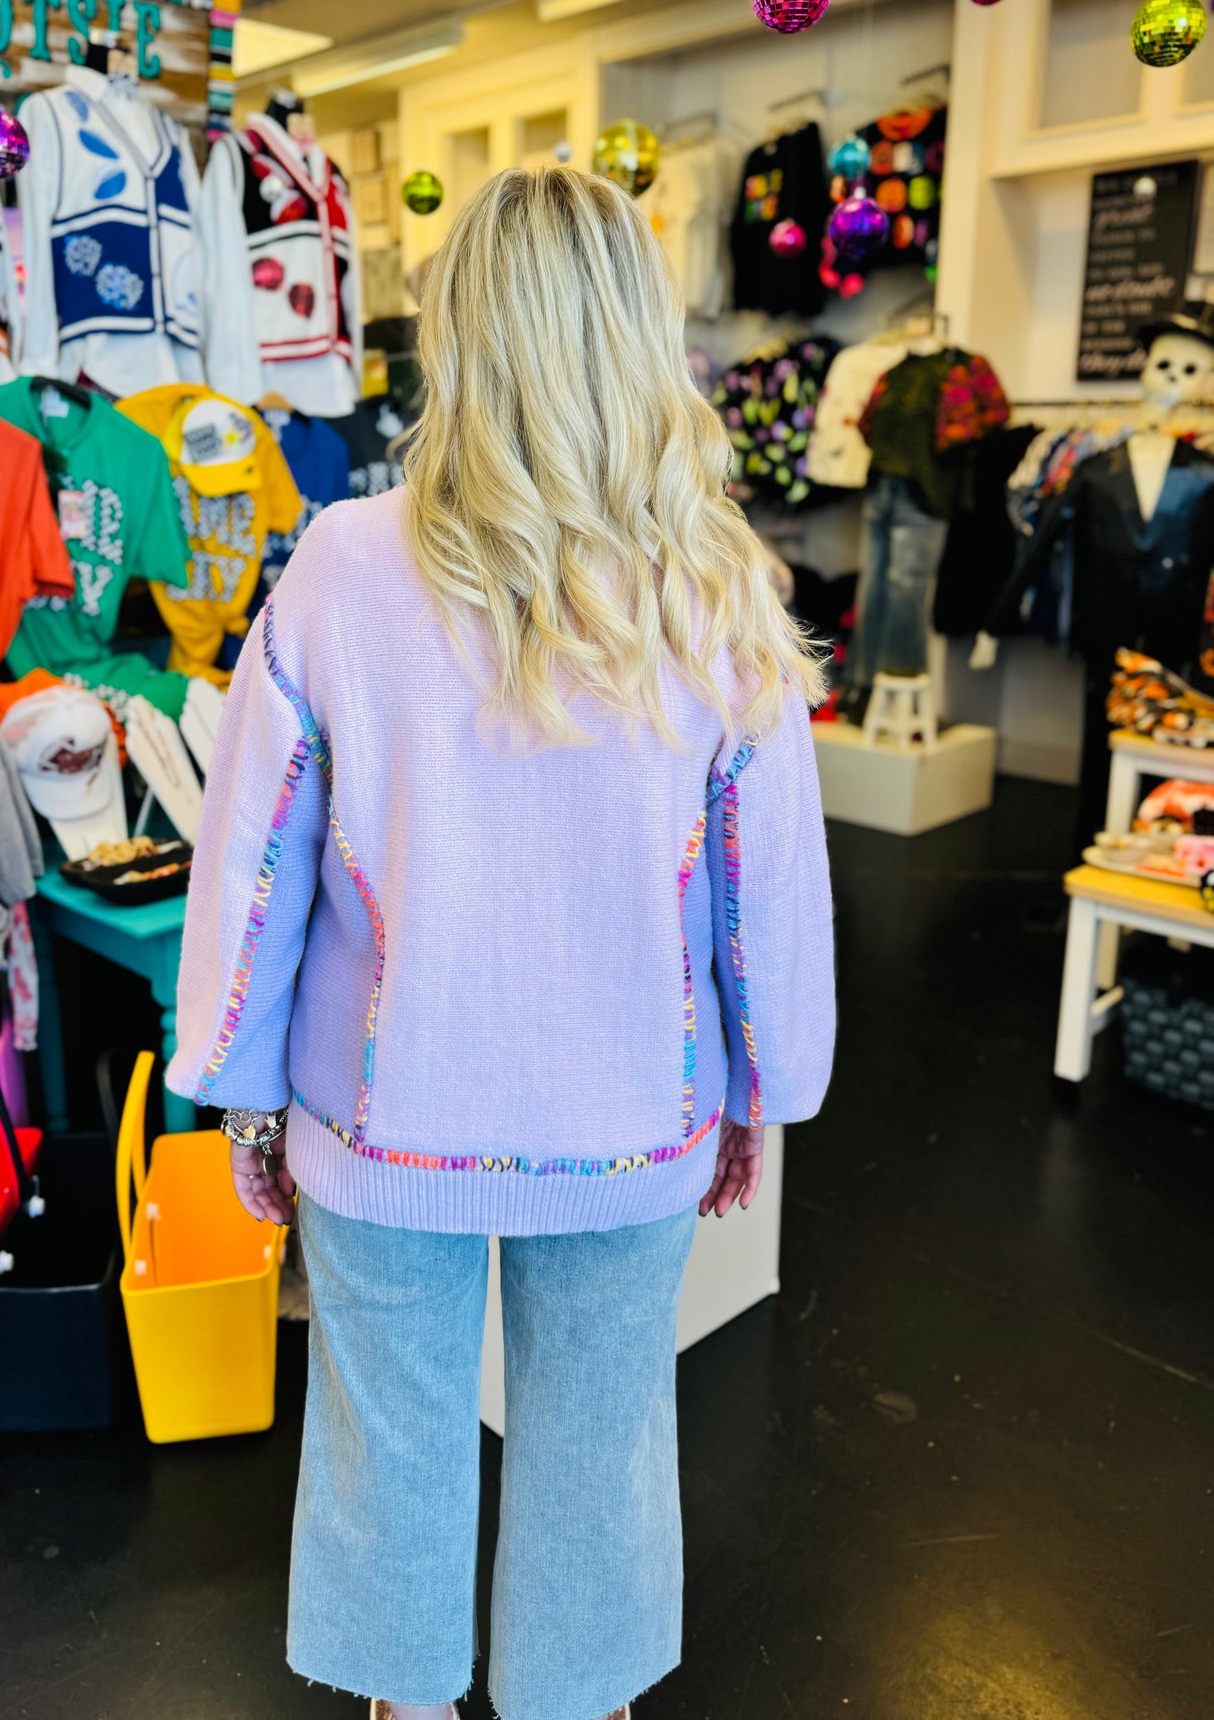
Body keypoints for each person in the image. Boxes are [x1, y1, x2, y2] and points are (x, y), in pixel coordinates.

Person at [168, 165, 836, 1720]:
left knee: (381, 1439)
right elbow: (766, 891)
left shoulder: (341, 563)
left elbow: (254, 863)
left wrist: (242, 1085)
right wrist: (759, 1090)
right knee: (602, 1442)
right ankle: (575, 1703)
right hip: (629, 1113)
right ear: (633, 330)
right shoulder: (711, 582)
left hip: (381, 1116)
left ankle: (403, 1705)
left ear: (458, 323)